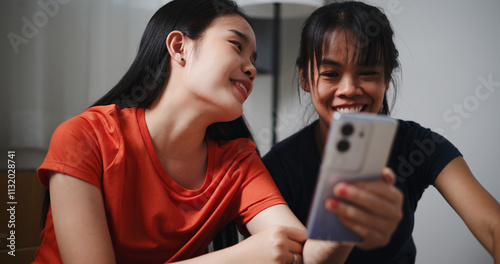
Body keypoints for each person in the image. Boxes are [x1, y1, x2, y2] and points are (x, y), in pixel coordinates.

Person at [32, 0, 404, 263]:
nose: (251, 68)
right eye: (236, 46)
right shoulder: (86, 136)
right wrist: (237, 259)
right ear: (179, 47)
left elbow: (301, 253)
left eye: (254, 60)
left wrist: (342, 223)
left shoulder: (239, 160)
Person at [262, 1, 500, 263]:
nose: (349, 89)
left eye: (367, 72)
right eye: (331, 74)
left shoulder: (419, 145)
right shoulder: (278, 167)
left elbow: (493, 227)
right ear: (305, 79)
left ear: (386, 77)